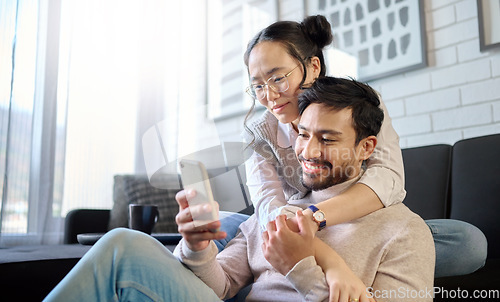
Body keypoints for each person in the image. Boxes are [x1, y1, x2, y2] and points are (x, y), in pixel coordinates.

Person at [43, 77, 435, 302]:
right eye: (302, 135)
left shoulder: (404, 231)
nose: (308, 151)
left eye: (328, 139)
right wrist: (197, 248)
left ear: (367, 147)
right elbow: (223, 285)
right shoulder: (279, 212)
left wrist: (301, 268)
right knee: (122, 246)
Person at [241, 15, 486, 278]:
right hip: (295, 230)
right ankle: (334, 265)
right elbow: (268, 207)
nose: (269, 95)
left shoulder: (360, 105)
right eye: (258, 86)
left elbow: (387, 179)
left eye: (277, 78)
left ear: (313, 66)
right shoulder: (259, 135)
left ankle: (310, 263)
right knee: (233, 228)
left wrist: (315, 218)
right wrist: (317, 246)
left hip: (358, 226)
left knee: (467, 243)